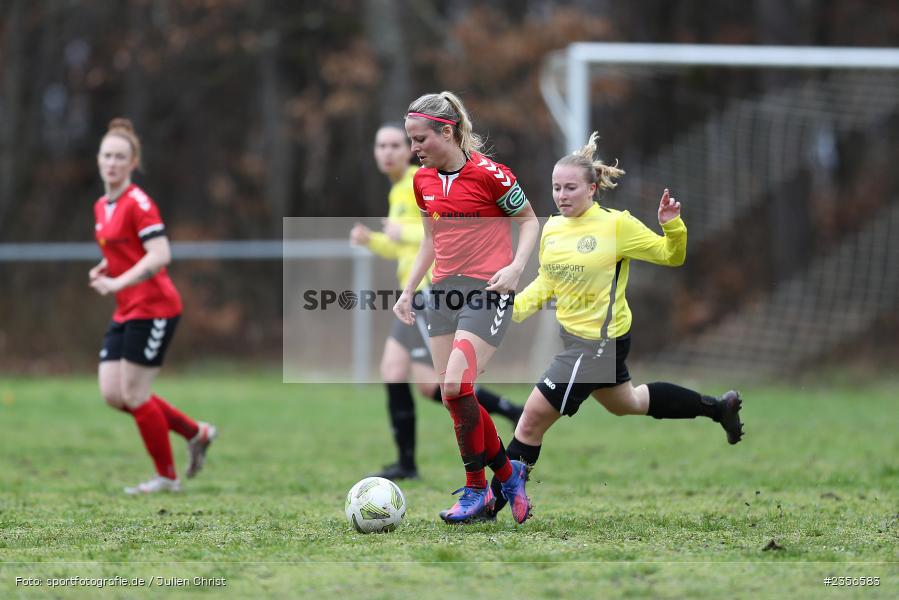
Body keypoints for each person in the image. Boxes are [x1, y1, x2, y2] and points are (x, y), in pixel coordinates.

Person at [488, 132, 745, 516]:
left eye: (571, 188)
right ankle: (718, 408)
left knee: (529, 423)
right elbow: (546, 282)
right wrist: (510, 309)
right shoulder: (553, 228)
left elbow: (670, 255)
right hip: (576, 341)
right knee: (629, 402)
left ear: (592, 189)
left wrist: (672, 226)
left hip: (599, 344)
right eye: (556, 188)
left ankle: (489, 503)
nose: (561, 195)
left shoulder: (616, 225)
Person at [393, 91, 540, 524]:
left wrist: (516, 268)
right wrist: (409, 289)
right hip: (442, 293)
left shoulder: (491, 174)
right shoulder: (422, 181)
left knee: (456, 385)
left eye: (420, 139)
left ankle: (476, 488)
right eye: (410, 139)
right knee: (453, 396)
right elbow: (430, 240)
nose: (414, 148)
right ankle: (508, 474)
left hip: (488, 289)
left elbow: (529, 221)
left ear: (447, 131)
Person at [350, 123, 523, 481]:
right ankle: (410, 462)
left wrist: (401, 234)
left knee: (438, 386)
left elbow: (438, 234)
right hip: (414, 293)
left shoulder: (421, 178)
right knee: (407, 376)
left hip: (437, 291)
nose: (389, 152)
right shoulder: (401, 188)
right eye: (381, 146)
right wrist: (373, 241)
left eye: (396, 145)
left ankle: (503, 428)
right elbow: (403, 246)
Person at [89, 118, 216, 494]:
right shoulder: (102, 205)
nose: (112, 163)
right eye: (107, 155)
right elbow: (126, 250)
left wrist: (118, 282)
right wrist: (106, 266)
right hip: (127, 308)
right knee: (114, 394)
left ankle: (167, 477)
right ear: (98, 159)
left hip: (155, 308)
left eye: (120, 157)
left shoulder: (139, 203)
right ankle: (196, 432)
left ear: (133, 163)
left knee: (135, 395)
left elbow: (160, 254)